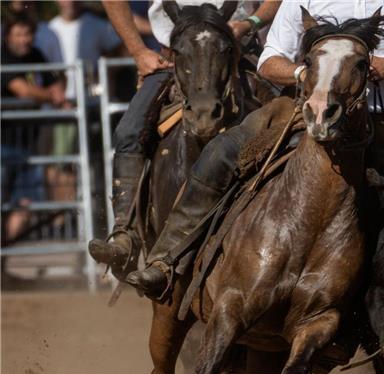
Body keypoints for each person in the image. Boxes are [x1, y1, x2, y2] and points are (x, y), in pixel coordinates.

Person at [125, 1, 384, 300]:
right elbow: (270, 60)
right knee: (222, 150)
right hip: (301, 114)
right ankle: (168, 257)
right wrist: (305, 74)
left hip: (376, 124)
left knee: (383, 222)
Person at [88, 0, 282, 279]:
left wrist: (250, 23)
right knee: (130, 131)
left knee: (293, 125)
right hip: (175, 58)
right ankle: (125, 235)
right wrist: (138, 50)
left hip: (238, 52)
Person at [1, 13, 66, 255]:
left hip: (28, 144)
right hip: (4, 143)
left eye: (28, 34)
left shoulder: (36, 54)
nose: (24, 39)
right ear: (7, 35)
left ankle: (3, 260)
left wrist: (57, 91)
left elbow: (56, 80)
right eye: (19, 34)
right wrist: (53, 97)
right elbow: (21, 89)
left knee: (25, 204)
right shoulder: (3, 56)